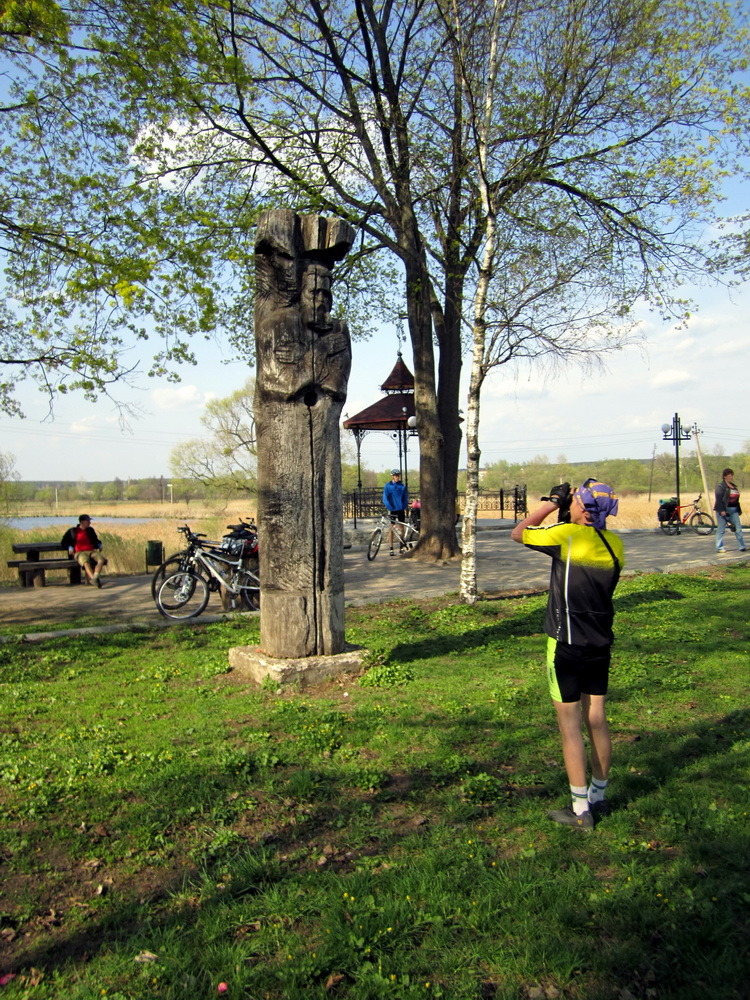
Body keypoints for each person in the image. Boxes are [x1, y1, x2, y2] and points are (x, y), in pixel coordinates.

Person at [511, 479, 624, 832]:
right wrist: (570, 511)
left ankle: (579, 810)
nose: (570, 503)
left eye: (575, 500)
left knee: (570, 727)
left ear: (583, 508)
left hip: (565, 644)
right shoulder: (615, 545)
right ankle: (599, 796)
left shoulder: (566, 537)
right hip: (599, 645)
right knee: (597, 720)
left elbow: (519, 533)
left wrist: (551, 502)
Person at [61, 515, 107, 587]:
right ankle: (93, 579)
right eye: (88, 521)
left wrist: (99, 544)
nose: (89, 522)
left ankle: (95, 577)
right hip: (79, 552)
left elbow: (95, 540)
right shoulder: (73, 531)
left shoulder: (90, 530)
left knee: (101, 559)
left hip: (91, 551)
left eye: (89, 521)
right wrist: (69, 547)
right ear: (82, 522)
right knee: (86, 562)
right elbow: (64, 542)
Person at [713, 468, 746, 554]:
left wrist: (739, 510)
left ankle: (742, 546)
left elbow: (737, 500)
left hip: (733, 510)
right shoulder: (721, 487)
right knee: (721, 529)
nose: (731, 477)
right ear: (724, 476)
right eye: (729, 476)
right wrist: (722, 510)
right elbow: (719, 500)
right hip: (723, 510)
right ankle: (719, 547)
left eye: (732, 476)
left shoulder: (733, 486)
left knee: (738, 528)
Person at [382, 469, 409, 555]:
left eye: (398, 475)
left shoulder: (402, 486)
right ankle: (391, 548)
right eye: (395, 476)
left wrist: (404, 506)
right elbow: (385, 498)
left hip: (400, 510)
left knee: (402, 528)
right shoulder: (388, 486)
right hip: (392, 510)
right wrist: (389, 507)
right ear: (392, 476)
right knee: (391, 528)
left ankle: (401, 547)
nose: (397, 477)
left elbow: (405, 498)